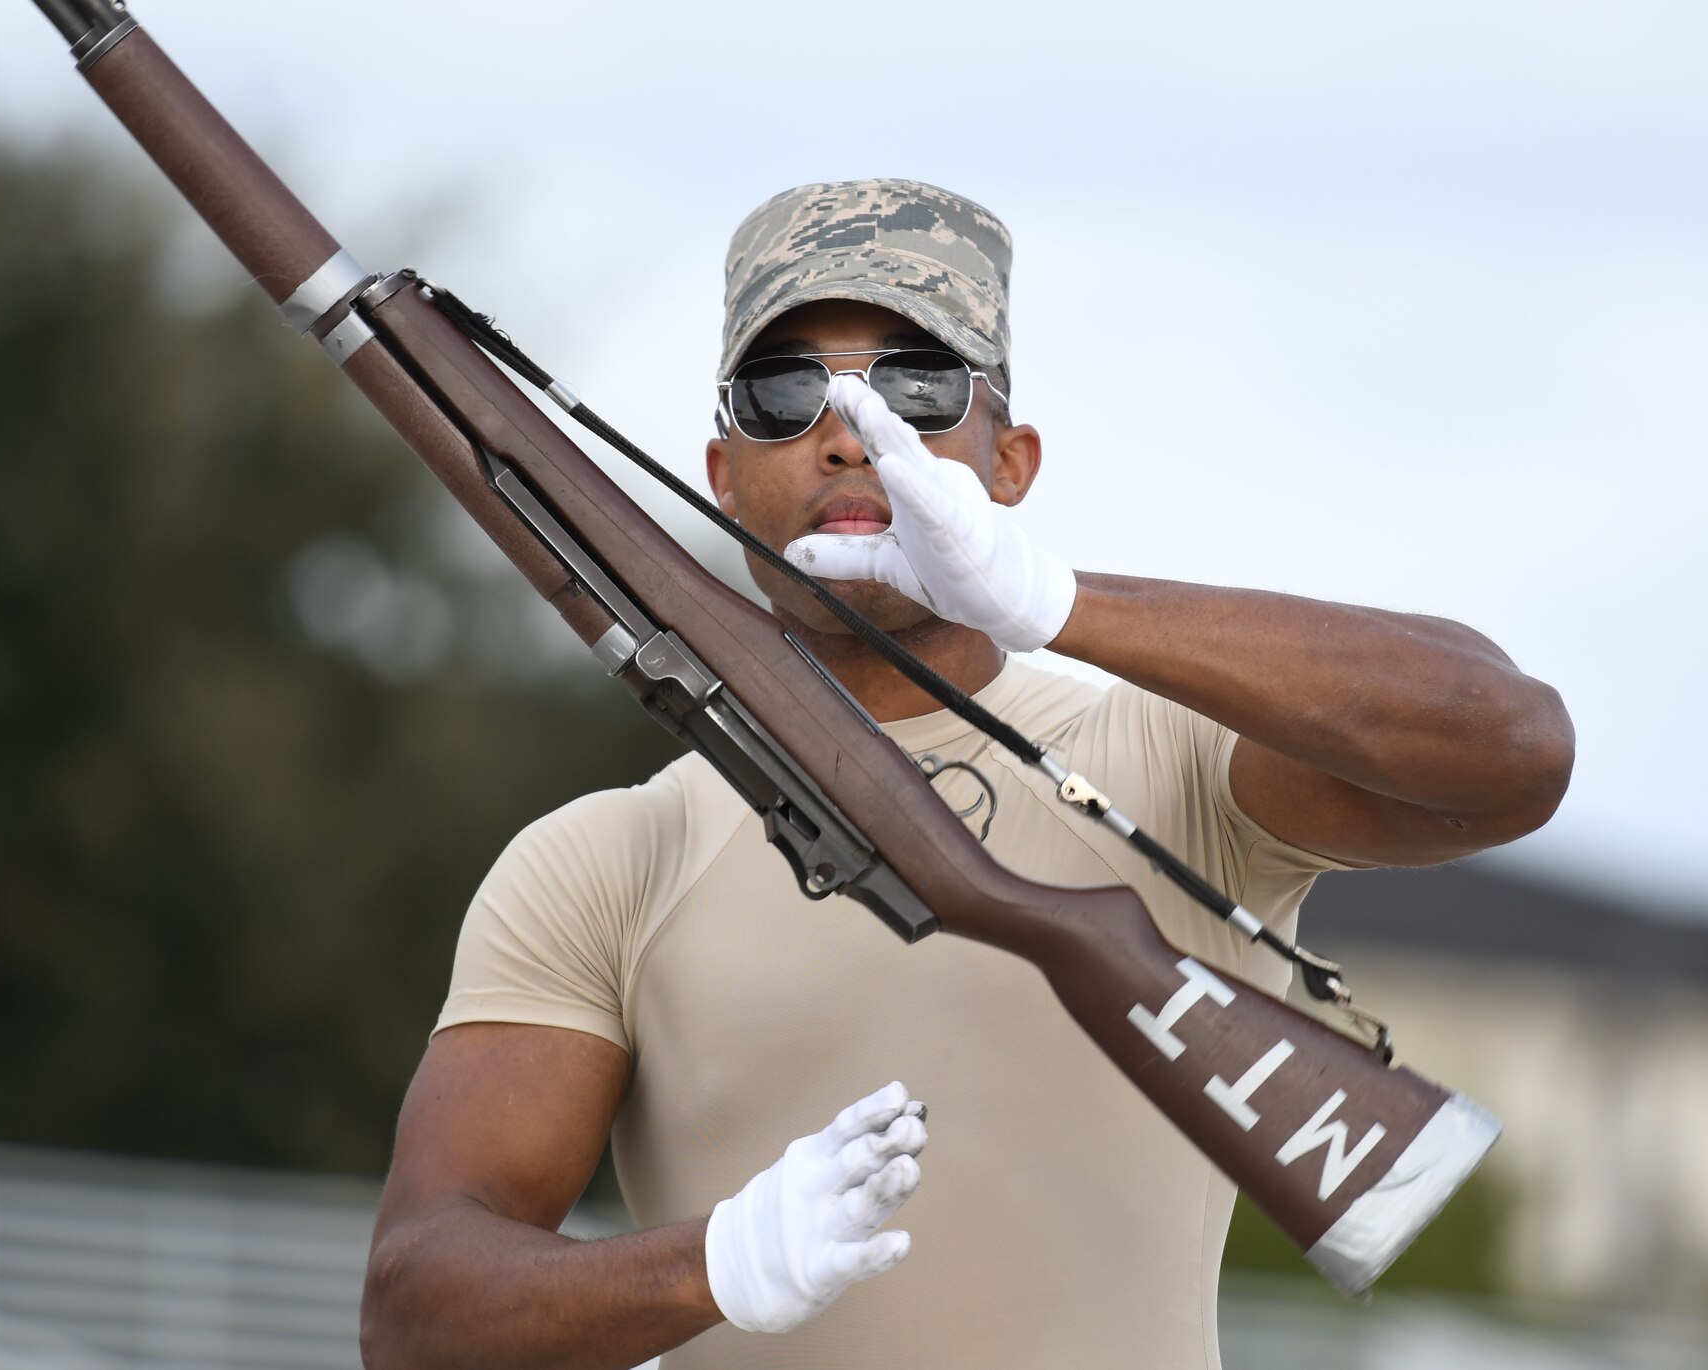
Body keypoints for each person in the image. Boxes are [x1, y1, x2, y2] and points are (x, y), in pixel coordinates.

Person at [358, 179, 1575, 1370]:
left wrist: (1056, 603)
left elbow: (1510, 748)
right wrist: (713, 1265)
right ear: (721, 473)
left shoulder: (1168, 763)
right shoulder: (608, 861)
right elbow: (418, 1312)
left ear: (1010, 462)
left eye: (917, 385)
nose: (846, 431)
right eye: (784, 393)